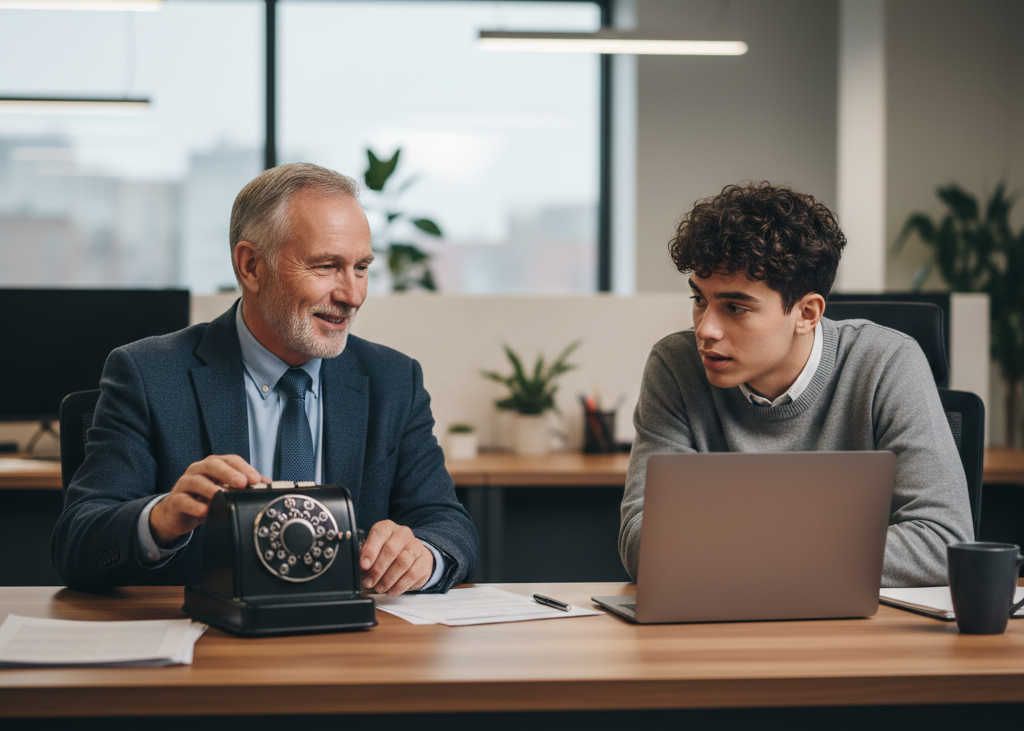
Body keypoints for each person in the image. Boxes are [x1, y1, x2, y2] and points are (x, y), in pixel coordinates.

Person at [51, 162, 477, 595]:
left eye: (361, 267)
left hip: (347, 644)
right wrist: (159, 520)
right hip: (208, 646)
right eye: (327, 266)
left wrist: (422, 554)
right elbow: (78, 544)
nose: (352, 295)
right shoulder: (147, 374)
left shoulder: (393, 380)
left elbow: (447, 524)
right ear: (251, 266)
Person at [619, 182, 973, 588]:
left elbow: (944, 543)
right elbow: (643, 545)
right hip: (718, 632)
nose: (705, 329)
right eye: (700, 300)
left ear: (807, 312)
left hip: (860, 637)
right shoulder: (676, 367)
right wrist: (815, 554)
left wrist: (734, 553)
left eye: (735, 307)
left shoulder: (886, 363)